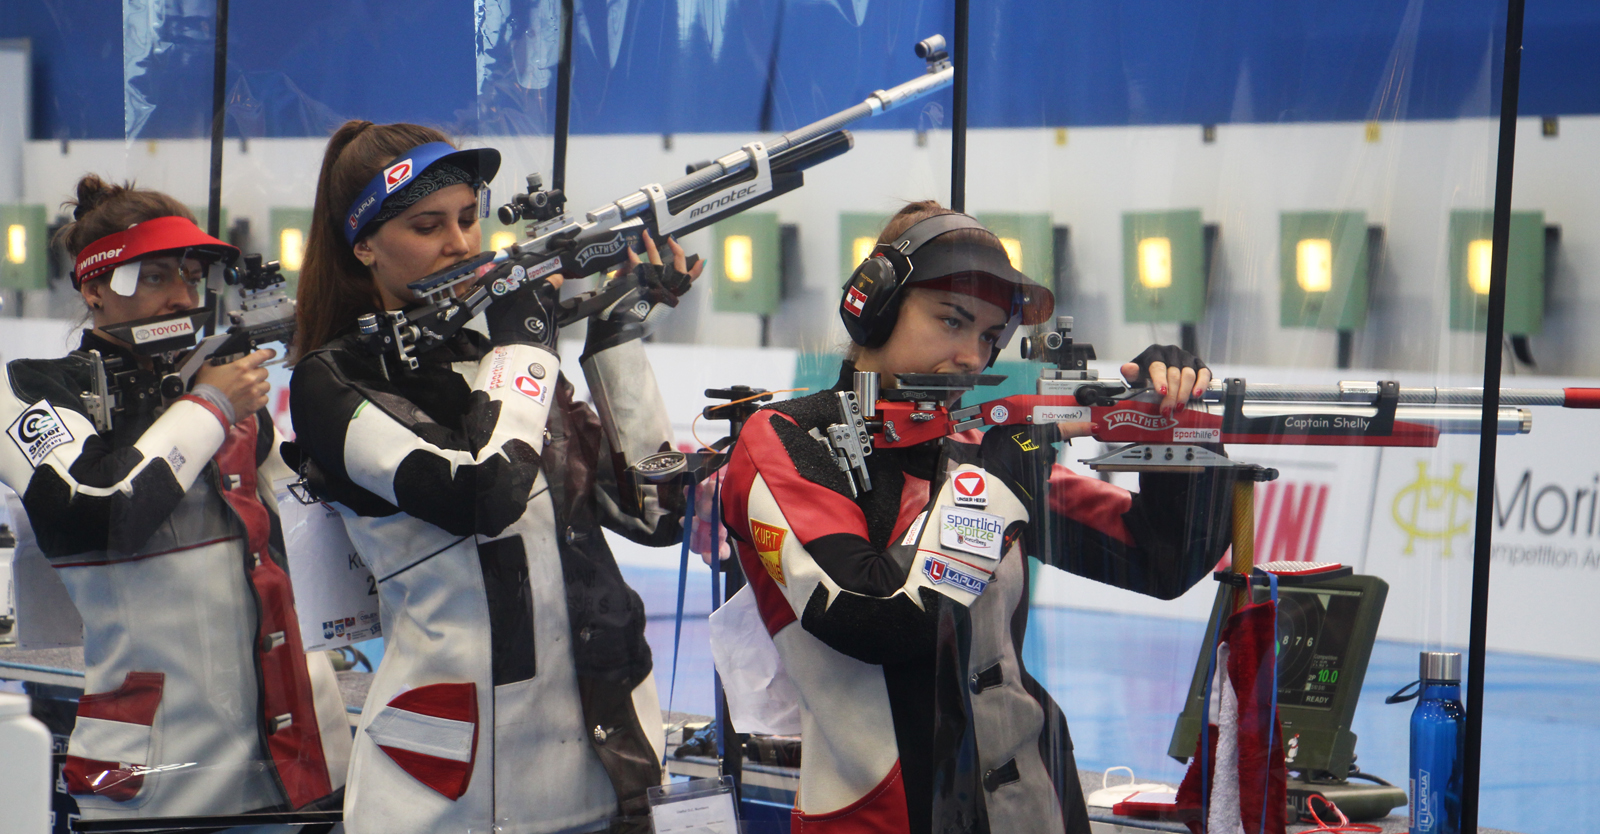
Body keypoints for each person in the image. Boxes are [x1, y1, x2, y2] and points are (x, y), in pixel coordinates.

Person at [718, 202, 1236, 833]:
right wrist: (996, 478)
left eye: (991, 337)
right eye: (952, 320)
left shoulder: (973, 446)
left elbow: (1159, 560)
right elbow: (871, 615)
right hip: (879, 818)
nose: (973, 356)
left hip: (1036, 809)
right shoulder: (789, 438)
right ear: (873, 306)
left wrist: (1178, 434)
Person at [285, 121, 699, 834]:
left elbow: (654, 514)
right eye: (427, 225)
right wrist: (526, 344)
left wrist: (617, 336)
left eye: (470, 218)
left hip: (600, 772)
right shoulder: (332, 380)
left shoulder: (499, 363)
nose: (461, 243)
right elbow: (484, 494)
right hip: (443, 796)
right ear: (363, 245)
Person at [0, 176, 351, 822]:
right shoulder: (37, 390)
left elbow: (315, 533)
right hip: (153, 781)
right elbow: (93, 512)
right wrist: (212, 405)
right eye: (156, 278)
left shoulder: (215, 386)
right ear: (93, 289)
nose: (182, 298)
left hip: (302, 756)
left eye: (190, 277)